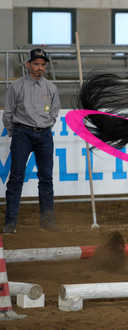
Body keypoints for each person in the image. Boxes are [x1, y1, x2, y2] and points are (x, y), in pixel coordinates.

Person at [2, 48, 60, 233]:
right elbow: (8, 113)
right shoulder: (16, 86)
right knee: (16, 177)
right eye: (36, 64)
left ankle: (47, 221)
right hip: (22, 134)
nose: (39, 68)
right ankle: (10, 223)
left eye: (42, 64)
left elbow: (54, 112)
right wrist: (15, 132)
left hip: (44, 134)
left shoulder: (51, 88)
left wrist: (46, 125)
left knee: (46, 178)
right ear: (28, 65)